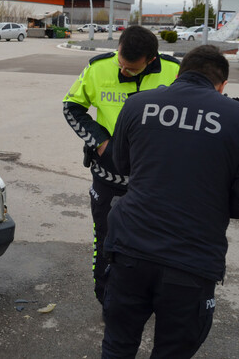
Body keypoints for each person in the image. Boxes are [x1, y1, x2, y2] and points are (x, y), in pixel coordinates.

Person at [102, 45, 239, 358]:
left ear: (179, 75)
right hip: (191, 261)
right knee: (172, 352)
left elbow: (122, 166)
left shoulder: (138, 104)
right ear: (223, 86)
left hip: (129, 249)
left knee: (118, 344)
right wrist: (208, 200)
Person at [62, 25, 180, 305]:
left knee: (155, 242)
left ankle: (148, 298)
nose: (123, 71)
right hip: (109, 177)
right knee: (106, 240)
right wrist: (101, 143)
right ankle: (107, 299)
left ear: (151, 60)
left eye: (131, 70)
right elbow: (72, 106)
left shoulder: (174, 72)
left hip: (156, 182)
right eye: (121, 64)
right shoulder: (98, 67)